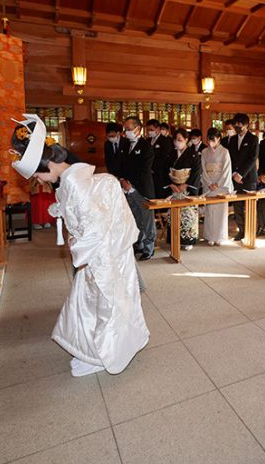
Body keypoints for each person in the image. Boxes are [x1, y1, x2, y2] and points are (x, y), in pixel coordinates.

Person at [10, 114, 149, 377]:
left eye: (39, 175)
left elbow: (94, 230)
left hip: (101, 254)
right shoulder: (73, 175)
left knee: (104, 303)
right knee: (91, 303)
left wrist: (77, 243)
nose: (39, 181)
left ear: (49, 164)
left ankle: (103, 354)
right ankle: (95, 349)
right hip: (104, 250)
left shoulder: (75, 184)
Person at [120, 116, 157, 261]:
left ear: (138, 129)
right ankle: (138, 244)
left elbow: (144, 169)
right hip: (127, 188)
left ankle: (149, 248)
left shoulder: (146, 146)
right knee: (135, 219)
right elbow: (121, 165)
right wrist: (122, 179)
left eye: (129, 129)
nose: (127, 132)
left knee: (147, 220)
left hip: (142, 189)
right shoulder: (125, 145)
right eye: (125, 129)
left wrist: (131, 185)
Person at [166, 128, 201, 249]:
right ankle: (175, 239)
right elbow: (165, 170)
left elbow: (196, 172)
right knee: (174, 214)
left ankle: (188, 241)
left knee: (187, 215)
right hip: (174, 188)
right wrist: (171, 184)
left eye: (180, 140)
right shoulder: (171, 154)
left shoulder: (194, 154)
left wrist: (185, 185)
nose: (177, 142)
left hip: (187, 189)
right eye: (175, 140)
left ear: (186, 140)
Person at [227, 113, 259, 241]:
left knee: (249, 206)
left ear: (246, 125)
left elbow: (252, 159)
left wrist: (241, 174)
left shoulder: (253, 139)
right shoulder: (233, 139)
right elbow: (231, 158)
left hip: (248, 178)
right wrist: (234, 173)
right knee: (237, 206)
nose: (237, 127)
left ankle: (251, 230)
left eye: (240, 124)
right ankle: (241, 230)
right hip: (235, 178)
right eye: (236, 124)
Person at [200, 127, 233, 246]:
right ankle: (209, 236)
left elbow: (226, 170)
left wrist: (218, 184)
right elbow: (203, 169)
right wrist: (209, 183)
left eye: (213, 140)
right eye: (209, 140)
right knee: (210, 211)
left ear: (219, 139)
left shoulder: (225, 152)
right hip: (209, 185)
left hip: (221, 186)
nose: (210, 142)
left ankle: (220, 236)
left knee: (220, 211)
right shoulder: (204, 152)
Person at [147, 119, 173, 199]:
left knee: (161, 197)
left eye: (152, 130)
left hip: (161, 175)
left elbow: (164, 158)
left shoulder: (165, 141)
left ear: (158, 129)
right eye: (148, 130)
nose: (150, 132)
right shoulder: (147, 141)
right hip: (149, 176)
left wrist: (153, 168)